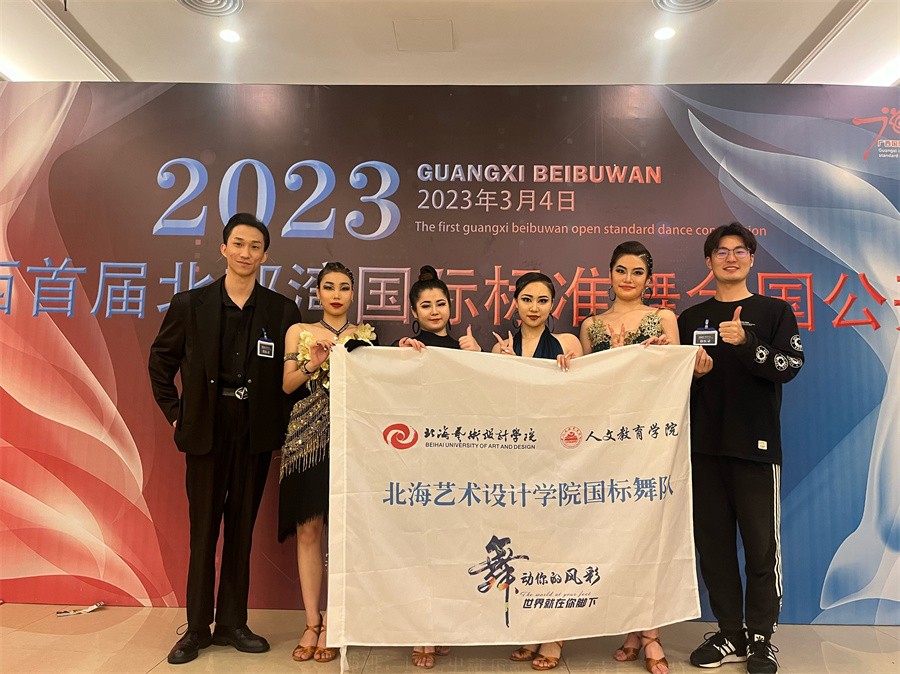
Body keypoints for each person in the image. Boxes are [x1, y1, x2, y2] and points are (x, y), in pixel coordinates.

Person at [148, 213, 301, 665]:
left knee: (240, 530)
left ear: (265, 255)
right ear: (223, 248)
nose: (245, 253)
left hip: (253, 433)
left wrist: (278, 424)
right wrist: (176, 415)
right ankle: (196, 628)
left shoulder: (282, 311)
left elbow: (292, 378)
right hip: (205, 430)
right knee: (203, 532)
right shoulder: (190, 304)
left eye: (255, 246)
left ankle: (233, 622)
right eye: (238, 244)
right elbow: (160, 363)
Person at [678, 223, 803, 674]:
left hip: (756, 449)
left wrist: (748, 343)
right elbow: (675, 388)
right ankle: (730, 632)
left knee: (760, 548)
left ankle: (761, 638)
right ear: (708, 261)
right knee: (714, 548)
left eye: (739, 251)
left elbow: (790, 365)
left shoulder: (774, 311)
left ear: (751, 258)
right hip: (704, 450)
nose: (730, 258)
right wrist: (693, 375)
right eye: (721, 251)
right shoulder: (691, 319)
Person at [578, 241, 675, 674]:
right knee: (614, 534)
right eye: (621, 270)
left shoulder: (663, 318)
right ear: (609, 274)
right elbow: (586, 385)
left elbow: (677, 375)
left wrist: (653, 357)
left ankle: (650, 634)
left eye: (637, 272)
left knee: (647, 534)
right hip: (604, 441)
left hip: (650, 439)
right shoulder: (591, 325)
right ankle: (631, 629)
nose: (628, 279)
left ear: (649, 279)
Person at [279, 262, 376, 664]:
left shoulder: (365, 336)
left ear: (353, 293)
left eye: (344, 287)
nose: (337, 294)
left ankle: (336, 621)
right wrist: (313, 363)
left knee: (343, 533)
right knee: (309, 531)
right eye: (329, 287)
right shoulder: (299, 331)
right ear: (317, 292)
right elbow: (286, 384)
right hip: (307, 442)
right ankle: (311, 622)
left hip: (353, 442)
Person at [492, 271, 582, 672]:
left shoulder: (568, 343)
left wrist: (570, 373)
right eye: (527, 299)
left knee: (554, 546)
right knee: (523, 546)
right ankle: (530, 630)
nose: (534, 307)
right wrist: (501, 368)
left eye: (542, 300)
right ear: (515, 302)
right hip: (515, 460)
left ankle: (554, 636)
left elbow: (589, 396)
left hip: (557, 458)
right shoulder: (501, 347)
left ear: (552, 305)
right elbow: (490, 405)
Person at [394, 265, 481, 669]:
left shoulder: (466, 347)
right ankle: (421, 631)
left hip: (457, 459)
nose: (434, 311)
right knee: (419, 545)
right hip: (416, 459)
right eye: (425, 305)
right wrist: (399, 358)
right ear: (413, 311)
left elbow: (483, 402)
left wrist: (478, 361)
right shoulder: (405, 348)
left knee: (451, 545)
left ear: (451, 308)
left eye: (440, 304)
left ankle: (443, 625)